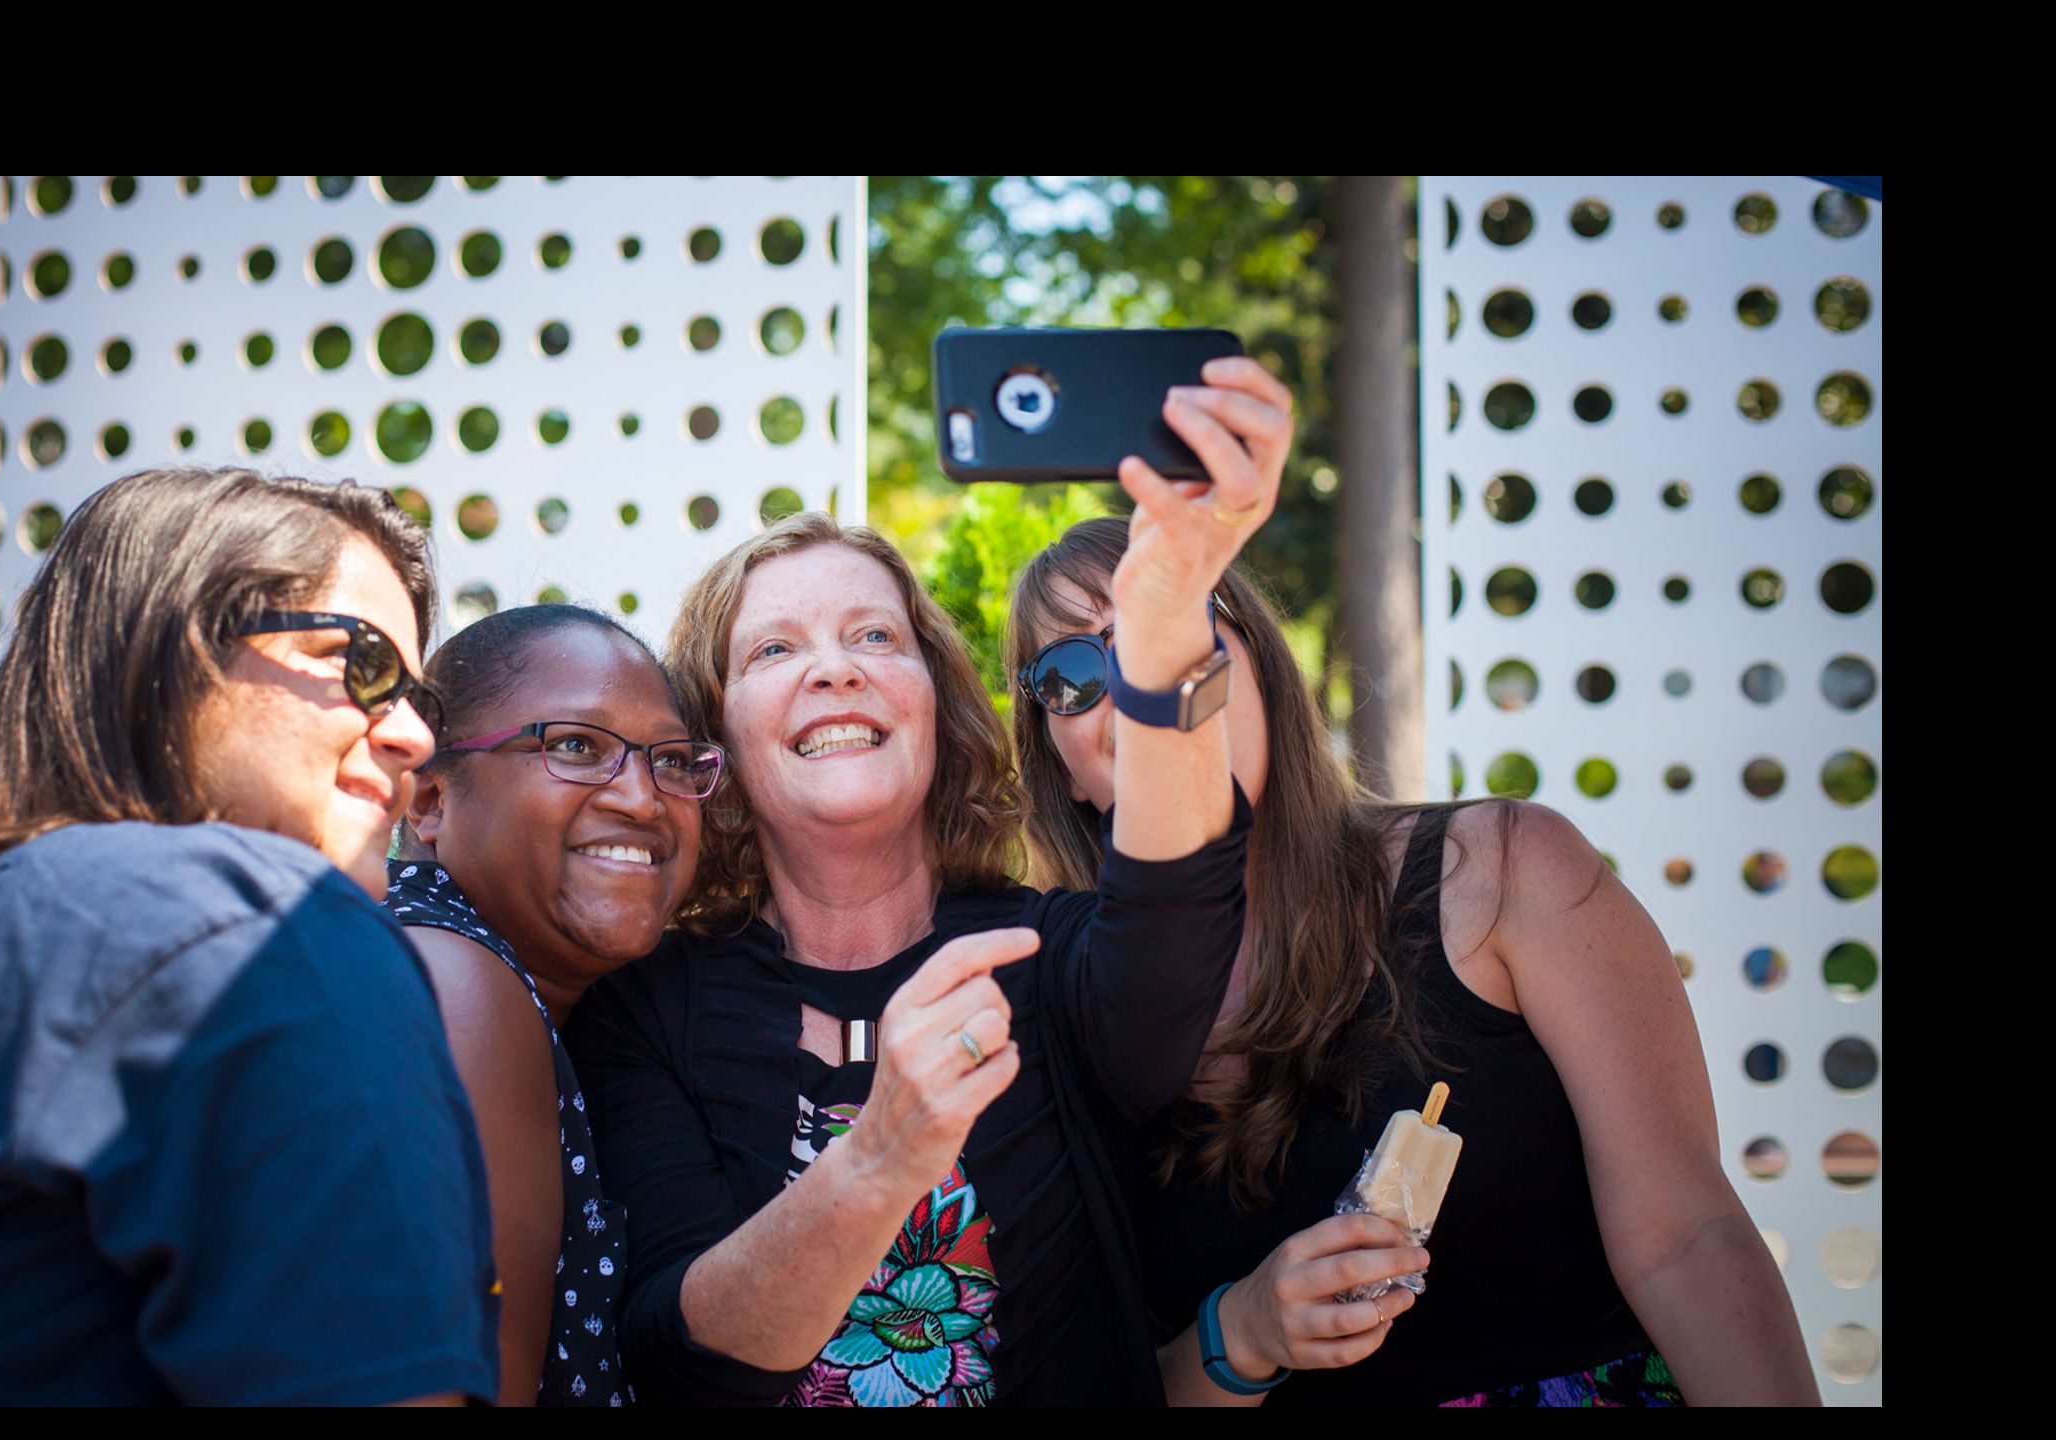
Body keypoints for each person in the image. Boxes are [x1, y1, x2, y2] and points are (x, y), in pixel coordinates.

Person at [570, 357, 1426, 1406]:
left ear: (934, 701)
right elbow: (675, 1357)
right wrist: (879, 1157)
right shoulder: (642, 1007)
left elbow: (1179, 880)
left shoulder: (1053, 959)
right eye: (773, 650)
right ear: (719, 743)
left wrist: (1163, 628)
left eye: (874, 636)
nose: (834, 669)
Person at [1005, 511, 1819, 1405]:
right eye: (1075, 673)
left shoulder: (1502, 871)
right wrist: (1239, 1334)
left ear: (1264, 669)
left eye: (1172, 635)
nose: (1140, 684)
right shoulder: (1041, 999)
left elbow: (1687, 1240)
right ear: (1065, 769)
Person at [0, 466, 498, 1406]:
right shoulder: (251, 919)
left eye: (418, 696)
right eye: (360, 662)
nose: (410, 734)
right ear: (172, 655)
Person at [389, 605, 725, 1406]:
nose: (643, 800)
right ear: (430, 801)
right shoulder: (459, 984)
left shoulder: (545, 1001)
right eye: (577, 746)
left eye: (672, 761)